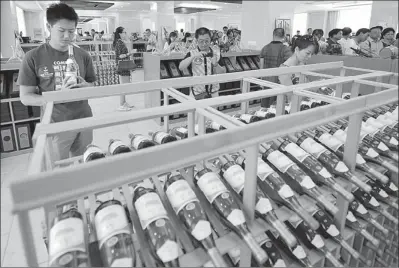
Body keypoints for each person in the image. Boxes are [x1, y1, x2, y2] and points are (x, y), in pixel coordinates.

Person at [18, 3, 96, 161]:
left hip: (84, 119)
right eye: (61, 31)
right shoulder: (33, 57)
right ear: (49, 27)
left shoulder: (83, 55)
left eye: (71, 31)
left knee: (83, 162)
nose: (67, 36)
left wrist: (86, 87)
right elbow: (25, 97)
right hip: (56, 124)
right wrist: (54, 98)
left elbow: (93, 85)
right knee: (58, 168)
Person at [179, 27, 222, 100]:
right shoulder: (192, 53)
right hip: (196, 93)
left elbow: (223, 72)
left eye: (206, 41)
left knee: (212, 112)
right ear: (196, 41)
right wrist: (193, 57)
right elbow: (181, 67)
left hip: (213, 93)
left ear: (210, 40)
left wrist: (215, 65)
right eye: (201, 41)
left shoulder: (216, 53)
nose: (204, 44)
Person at [259, 28, 292, 108]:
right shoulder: (285, 49)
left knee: (265, 104)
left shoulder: (265, 48)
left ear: (273, 35)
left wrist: (261, 80)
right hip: (278, 81)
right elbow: (291, 64)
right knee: (275, 106)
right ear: (284, 36)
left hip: (266, 80)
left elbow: (261, 66)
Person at [113, 26, 134, 111]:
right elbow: (120, 56)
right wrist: (130, 53)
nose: (126, 34)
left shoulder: (119, 42)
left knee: (124, 84)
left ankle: (124, 102)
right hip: (123, 66)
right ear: (120, 34)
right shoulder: (120, 43)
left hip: (123, 65)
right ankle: (121, 104)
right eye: (124, 32)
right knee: (124, 85)